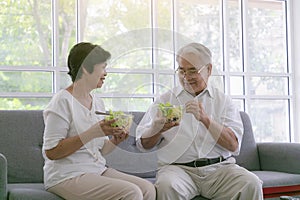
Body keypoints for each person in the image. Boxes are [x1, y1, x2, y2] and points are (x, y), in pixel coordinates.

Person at [136, 42, 263, 200]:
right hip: (178, 170)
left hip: (219, 169)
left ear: (208, 70)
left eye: (192, 71)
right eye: (181, 71)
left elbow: (233, 145)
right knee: (167, 186)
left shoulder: (223, 101)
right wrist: (157, 128)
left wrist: (205, 119)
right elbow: (143, 145)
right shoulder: (165, 101)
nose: (186, 77)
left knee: (250, 183)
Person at [42, 42, 156, 200]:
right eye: (102, 67)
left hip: (96, 169)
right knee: (131, 192)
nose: (105, 73)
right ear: (85, 68)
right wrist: (92, 132)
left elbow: (101, 150)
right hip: (66, 175)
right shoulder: (62, 101)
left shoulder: (96, 101)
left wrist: (116, 140)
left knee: (148, 189)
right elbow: (52, 152)